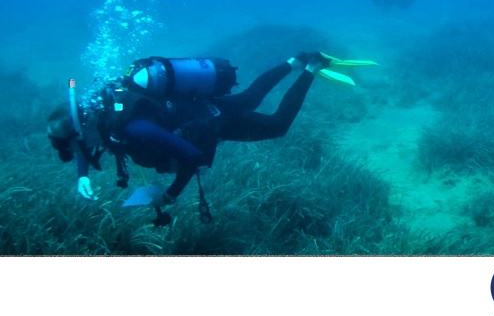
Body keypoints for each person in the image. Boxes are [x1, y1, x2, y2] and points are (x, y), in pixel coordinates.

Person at [46, 51, 355, 225]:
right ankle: (296, 61)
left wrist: (170, 196)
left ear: (81, 129)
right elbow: (80, 142)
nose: (80, 151)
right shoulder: (101, 116)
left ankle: (311, 68)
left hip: (211, 122)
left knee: (277, 125)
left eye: (75, 146)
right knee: (250, 97)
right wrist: (82, 175)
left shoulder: (132, 128)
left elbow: (192, 156)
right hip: (199, 107)